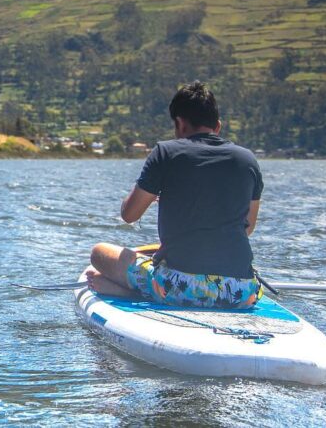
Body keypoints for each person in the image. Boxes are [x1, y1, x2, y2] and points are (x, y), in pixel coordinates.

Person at [85, 81, 264, 309]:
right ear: (217, 126)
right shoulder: (248, 160)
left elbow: (129, 214)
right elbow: (247, 228)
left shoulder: (166, 152)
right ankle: (140, 291)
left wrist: (154, 192)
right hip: (241, 291)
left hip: (179, 288)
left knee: (99, 253)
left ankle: (132, 293)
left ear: (179, 123)